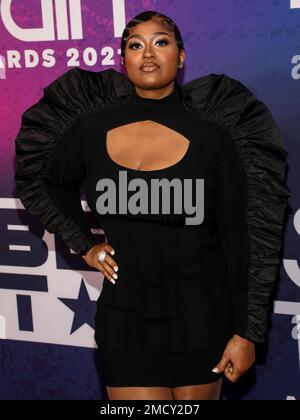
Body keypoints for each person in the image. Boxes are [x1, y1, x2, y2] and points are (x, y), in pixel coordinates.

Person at [14, 11, 291, 400]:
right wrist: (85, 244)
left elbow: (242, 239)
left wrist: (246, 333)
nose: (148, 53)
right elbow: (43, 181)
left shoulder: (216, 134)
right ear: (122, 58)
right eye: (135, 44)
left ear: (180, 57)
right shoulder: (90, 128)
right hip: (126, 321)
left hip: (203, 320)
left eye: (161, 42)